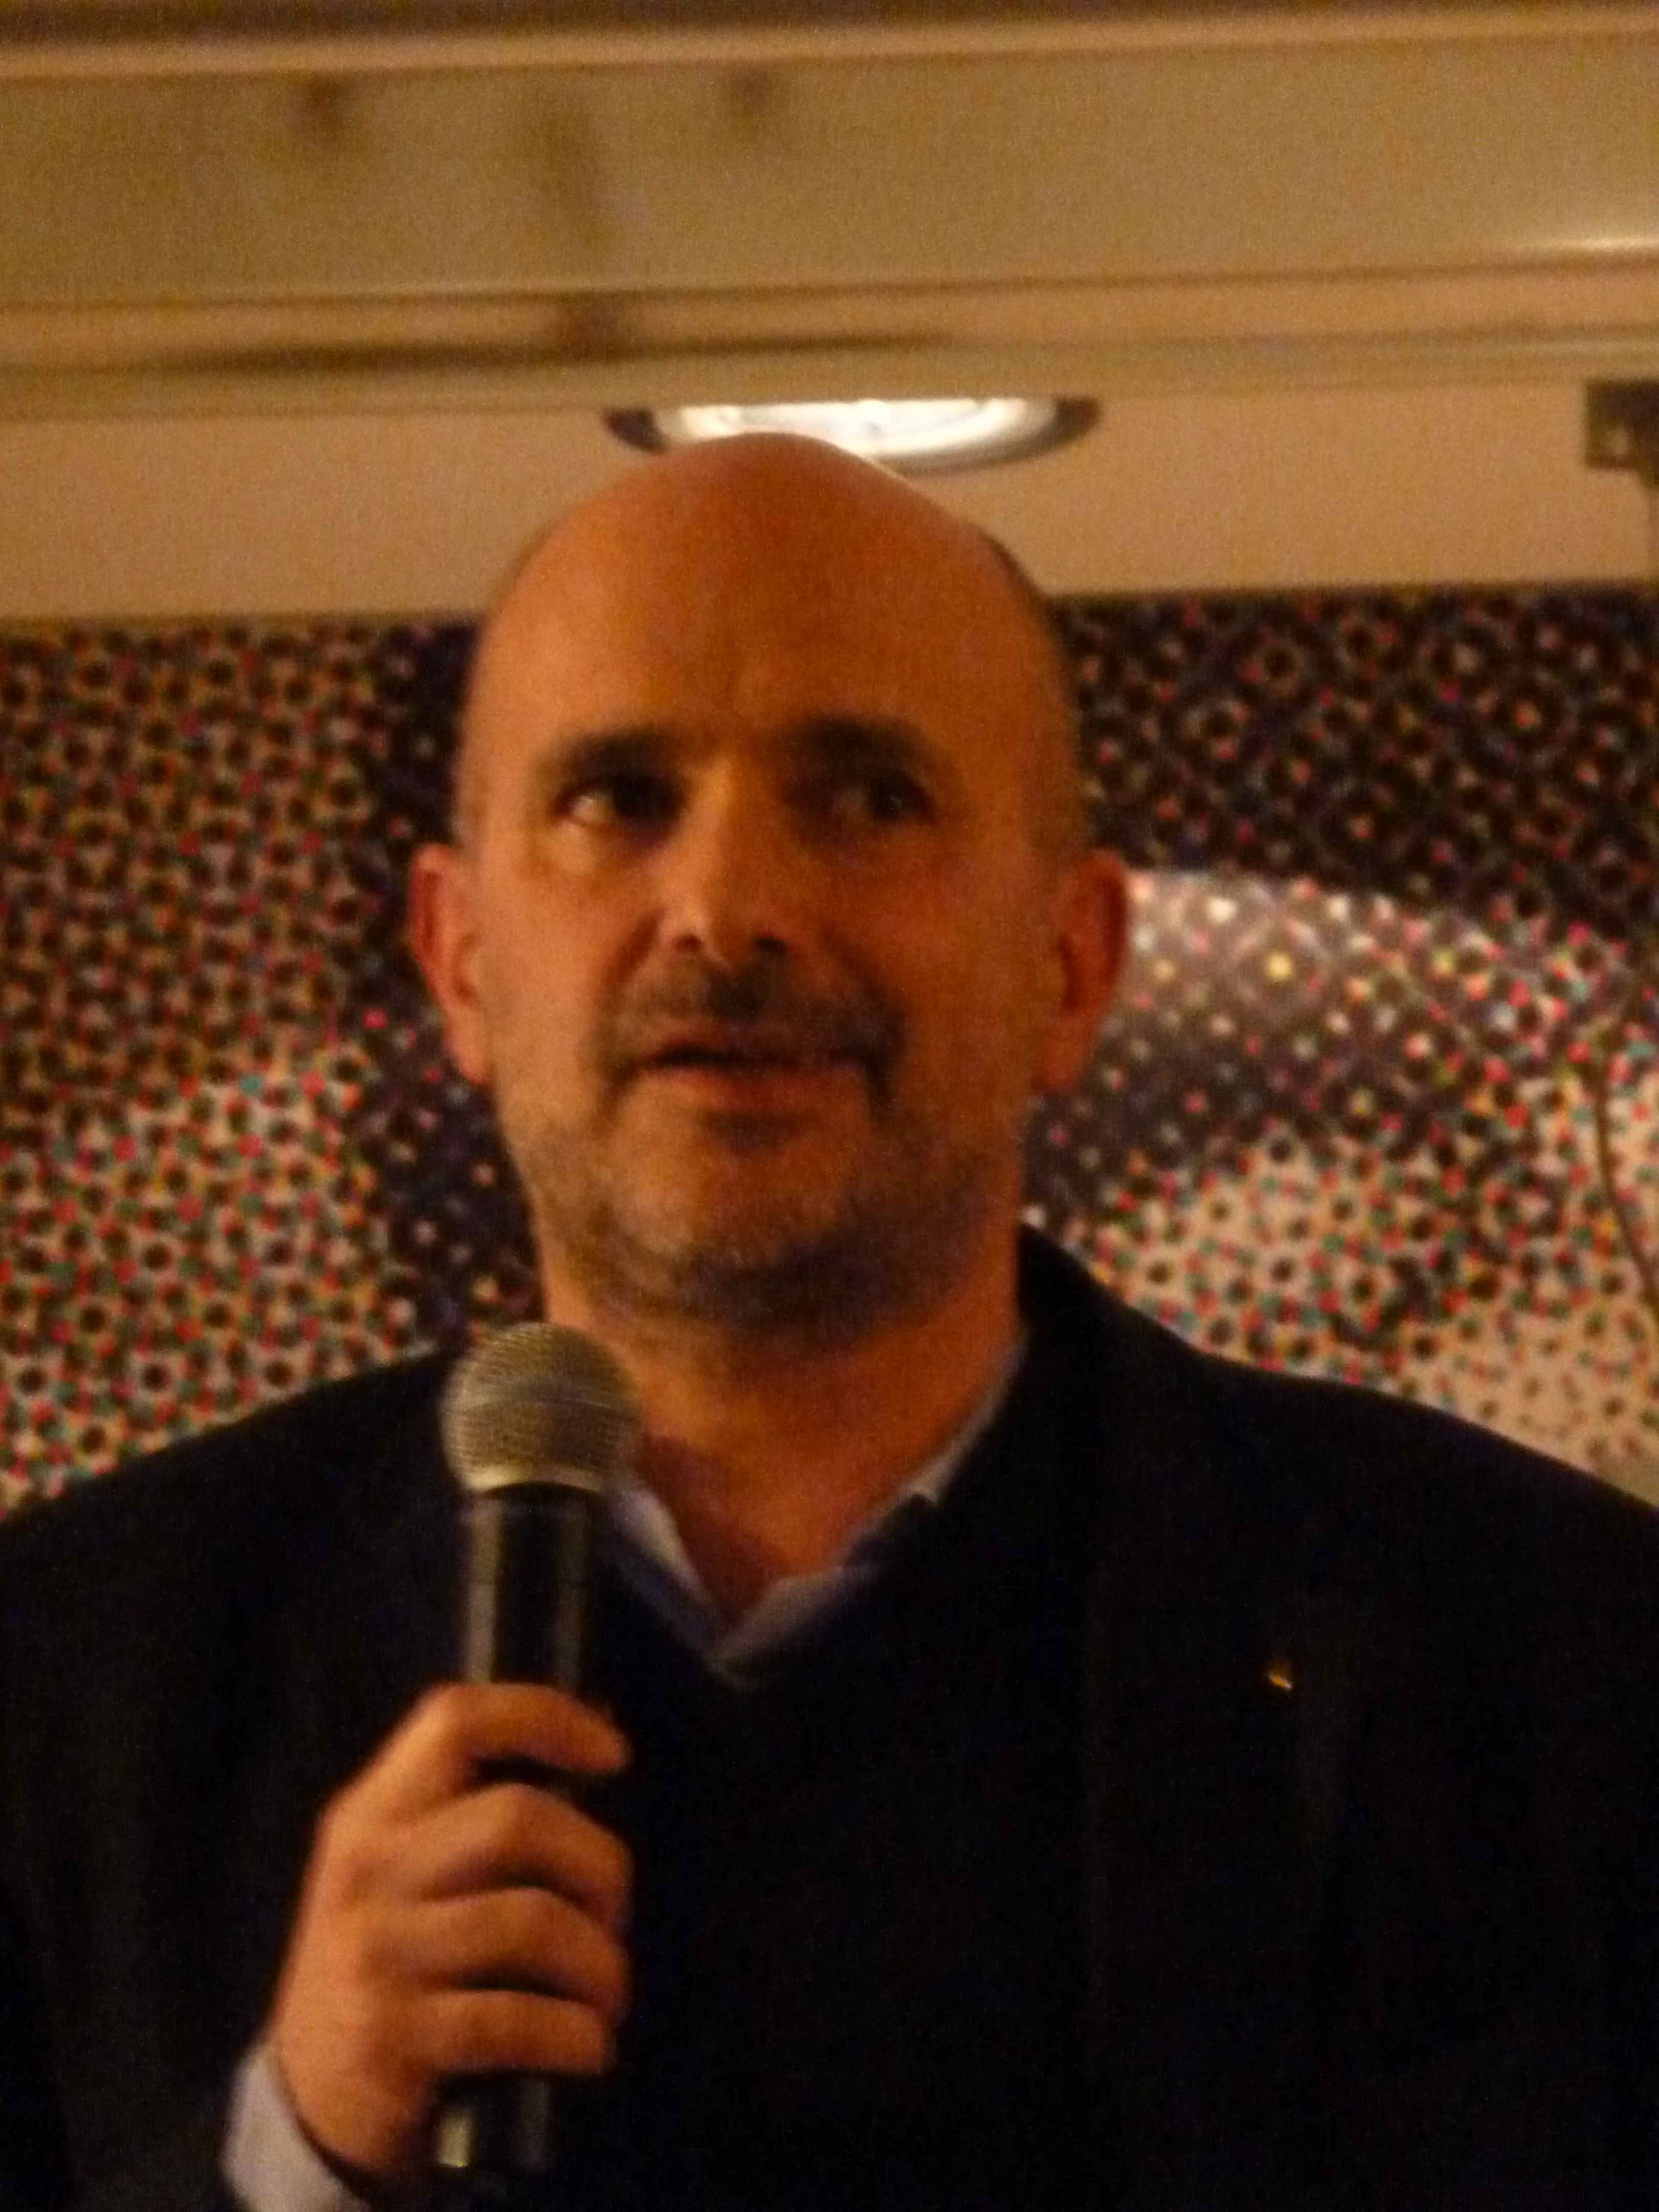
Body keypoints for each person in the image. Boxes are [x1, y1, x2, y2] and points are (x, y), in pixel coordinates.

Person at [2, 433, 1657, 2212]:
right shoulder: (72, 1681)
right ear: (461, 958)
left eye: (867, 797)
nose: (728, 911)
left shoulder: (1568, 1657)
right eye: (617, 797)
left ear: (1073, 962)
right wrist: (300, 2160)